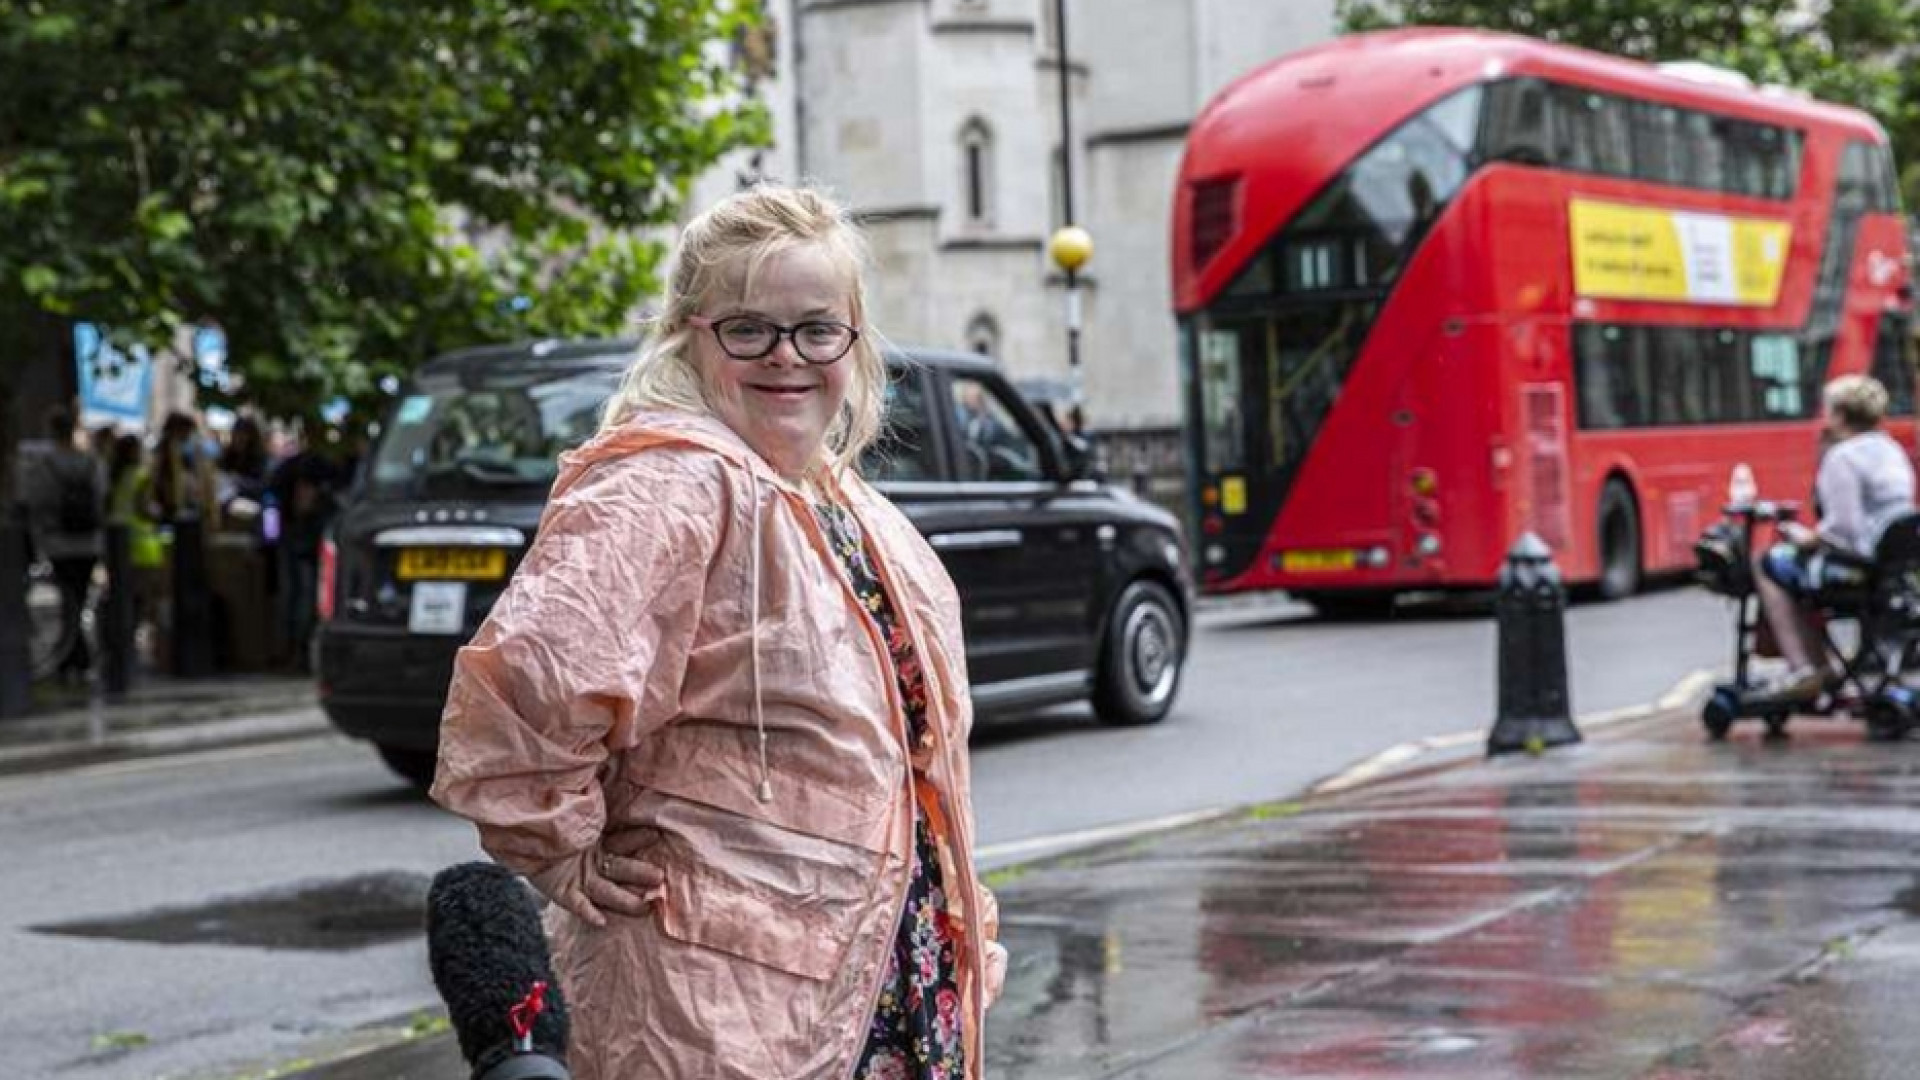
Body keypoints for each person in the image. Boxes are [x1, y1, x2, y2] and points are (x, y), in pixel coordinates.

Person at [432, 185, 1007, 1080]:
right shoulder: (670, 484)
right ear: (690, 334)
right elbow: (533, 678)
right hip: (723, 1012)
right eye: (749, 329)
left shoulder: (840, 497)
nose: (788, 356)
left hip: (870, 989)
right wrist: (555, 850)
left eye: (817, 329)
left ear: (853, 342)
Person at [1756, 374, 1917, 697]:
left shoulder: (1842, 458)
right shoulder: (1891, 450)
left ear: (1841, 415)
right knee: (1792, 568)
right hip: (1892, 570)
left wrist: (1804, 538)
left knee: (1769, 564)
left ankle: (1806, 668)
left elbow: (1843, 529)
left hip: (1856, 568)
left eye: (1827, 409)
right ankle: (1821, 666)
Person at [20, 405, 104, 682]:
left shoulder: (44, 465)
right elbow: (101, 497)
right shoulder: (92, 462)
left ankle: (73, 658)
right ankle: (76, 658)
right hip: (89, 542)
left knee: (71, 601)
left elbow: (36, 501)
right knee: (78, 599)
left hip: (59, 542)